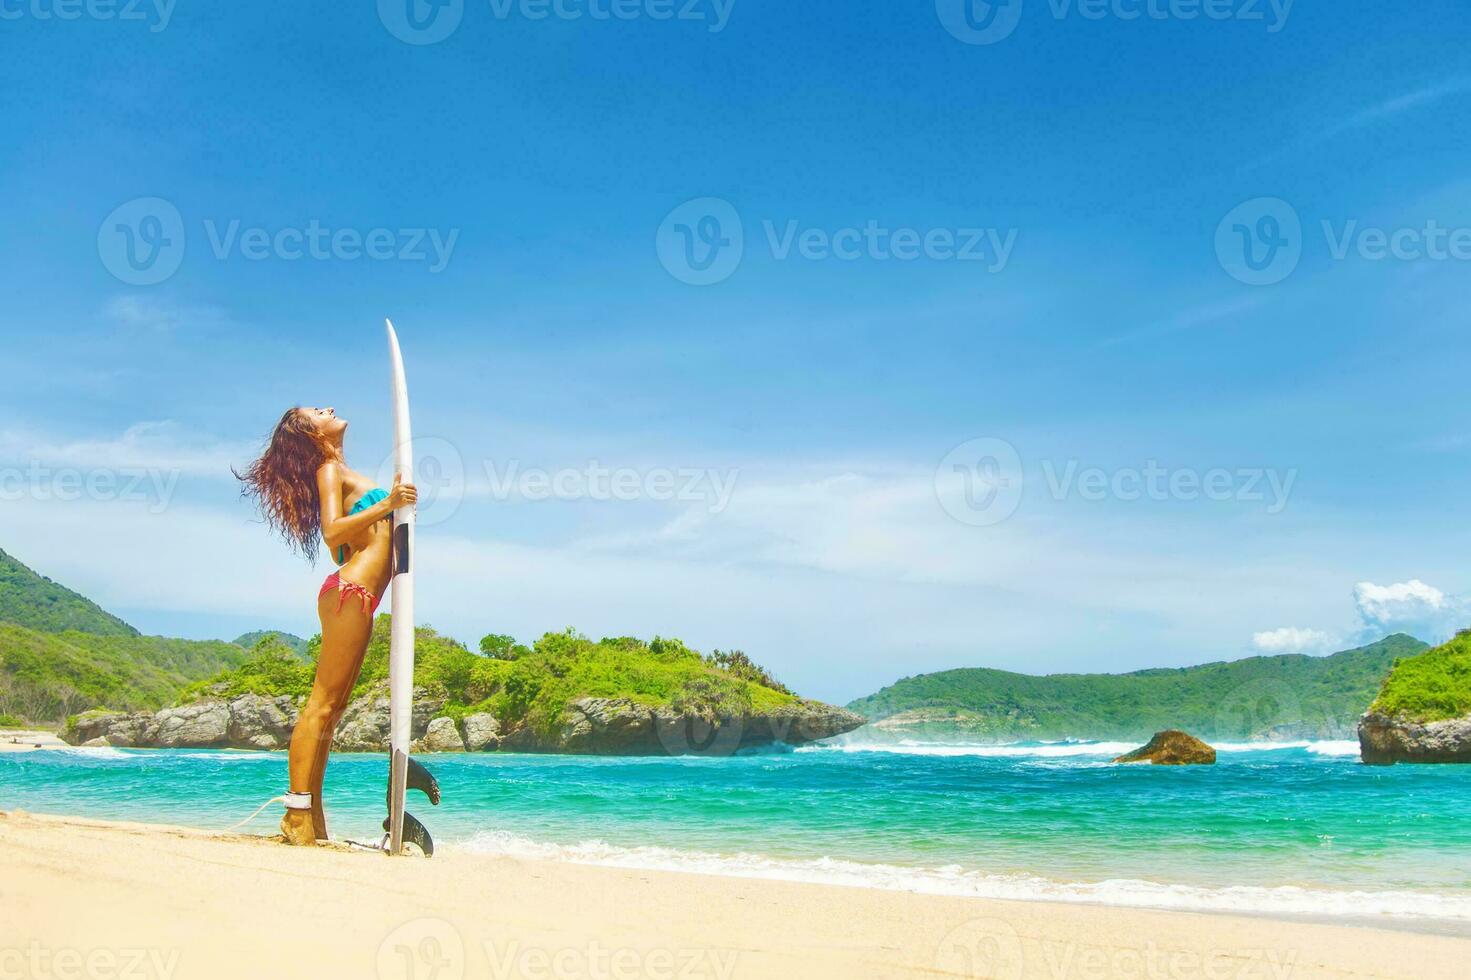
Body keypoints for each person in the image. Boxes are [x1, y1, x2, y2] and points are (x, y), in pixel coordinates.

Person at [236, 406, 417, 844]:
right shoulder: (328, 469)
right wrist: (390, 504)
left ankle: (312, 820)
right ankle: (296, 812)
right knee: (321, 706)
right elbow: (334, 534)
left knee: (332, 712)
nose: (329, 409)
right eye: (317, 411)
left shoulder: (342, 469)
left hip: (360, 598)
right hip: (349, 594)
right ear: (310, 432)